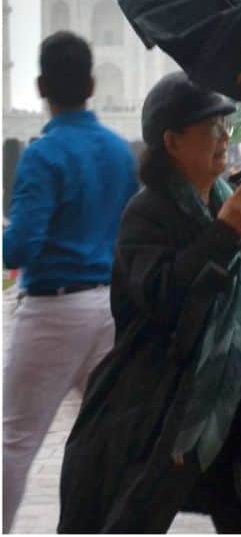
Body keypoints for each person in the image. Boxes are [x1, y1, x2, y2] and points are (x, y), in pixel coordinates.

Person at [58, 72, 241, 533]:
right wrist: (223, 233)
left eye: (225, 125)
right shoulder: (147, 215)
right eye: (211, 127)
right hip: (161, 412)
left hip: (224, 407)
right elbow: (165, 302)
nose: (225, 136)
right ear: (172, 142)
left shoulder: (233, 202)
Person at [2, 33, 139, 533]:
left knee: (16, 442)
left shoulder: (44, 155)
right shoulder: (119, 154)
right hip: (108, 310)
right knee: (110, 442)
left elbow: (20, 250)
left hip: (52, 313)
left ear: (40, 86)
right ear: (93, 84)